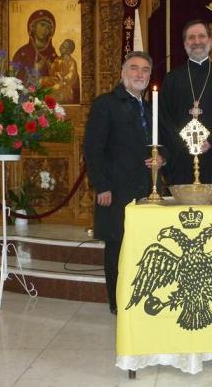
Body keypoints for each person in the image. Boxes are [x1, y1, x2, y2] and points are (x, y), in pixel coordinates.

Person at [84, 51, 163, 315]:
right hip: (116, 189)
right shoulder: (105, 104)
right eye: (134, 68)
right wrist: (102, 185)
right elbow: (93, 148)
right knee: (117, 244)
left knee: (146, 245)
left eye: (145, 70)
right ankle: (117, 302)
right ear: (122, 73)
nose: (140, 74)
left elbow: (162, 143)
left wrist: (162, 158)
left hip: (147, 189)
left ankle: (142, 297)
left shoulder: (150, 108)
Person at [159, 19, 212, 195]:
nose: (197, 41)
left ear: (210, 41)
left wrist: (211, 141)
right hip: (180, 159)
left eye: (201, 36)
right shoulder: (172, 78)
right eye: (191, 37)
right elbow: (164, 119)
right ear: (185, 43)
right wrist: (184, 142)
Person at [12, 9, 57, 84]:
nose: (45, 29)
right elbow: (14, 81)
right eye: (42, 25)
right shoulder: (23, 54)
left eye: (48, 28)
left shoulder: (53, 56)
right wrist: (35, 70)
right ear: (33, 27)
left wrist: (52, 70)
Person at [40, 39, 80, 104]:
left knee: (55, 88)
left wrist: (62, 78)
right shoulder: (57, 59)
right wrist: (49, 65)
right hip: (55, 80)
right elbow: (52, 72)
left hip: (64, 84)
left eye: (64, 46)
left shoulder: (71, 62)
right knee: (41, 80)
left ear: (69, 50)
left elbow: (71, 75)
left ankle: (47, 96)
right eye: (62, 45)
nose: (61, 47)